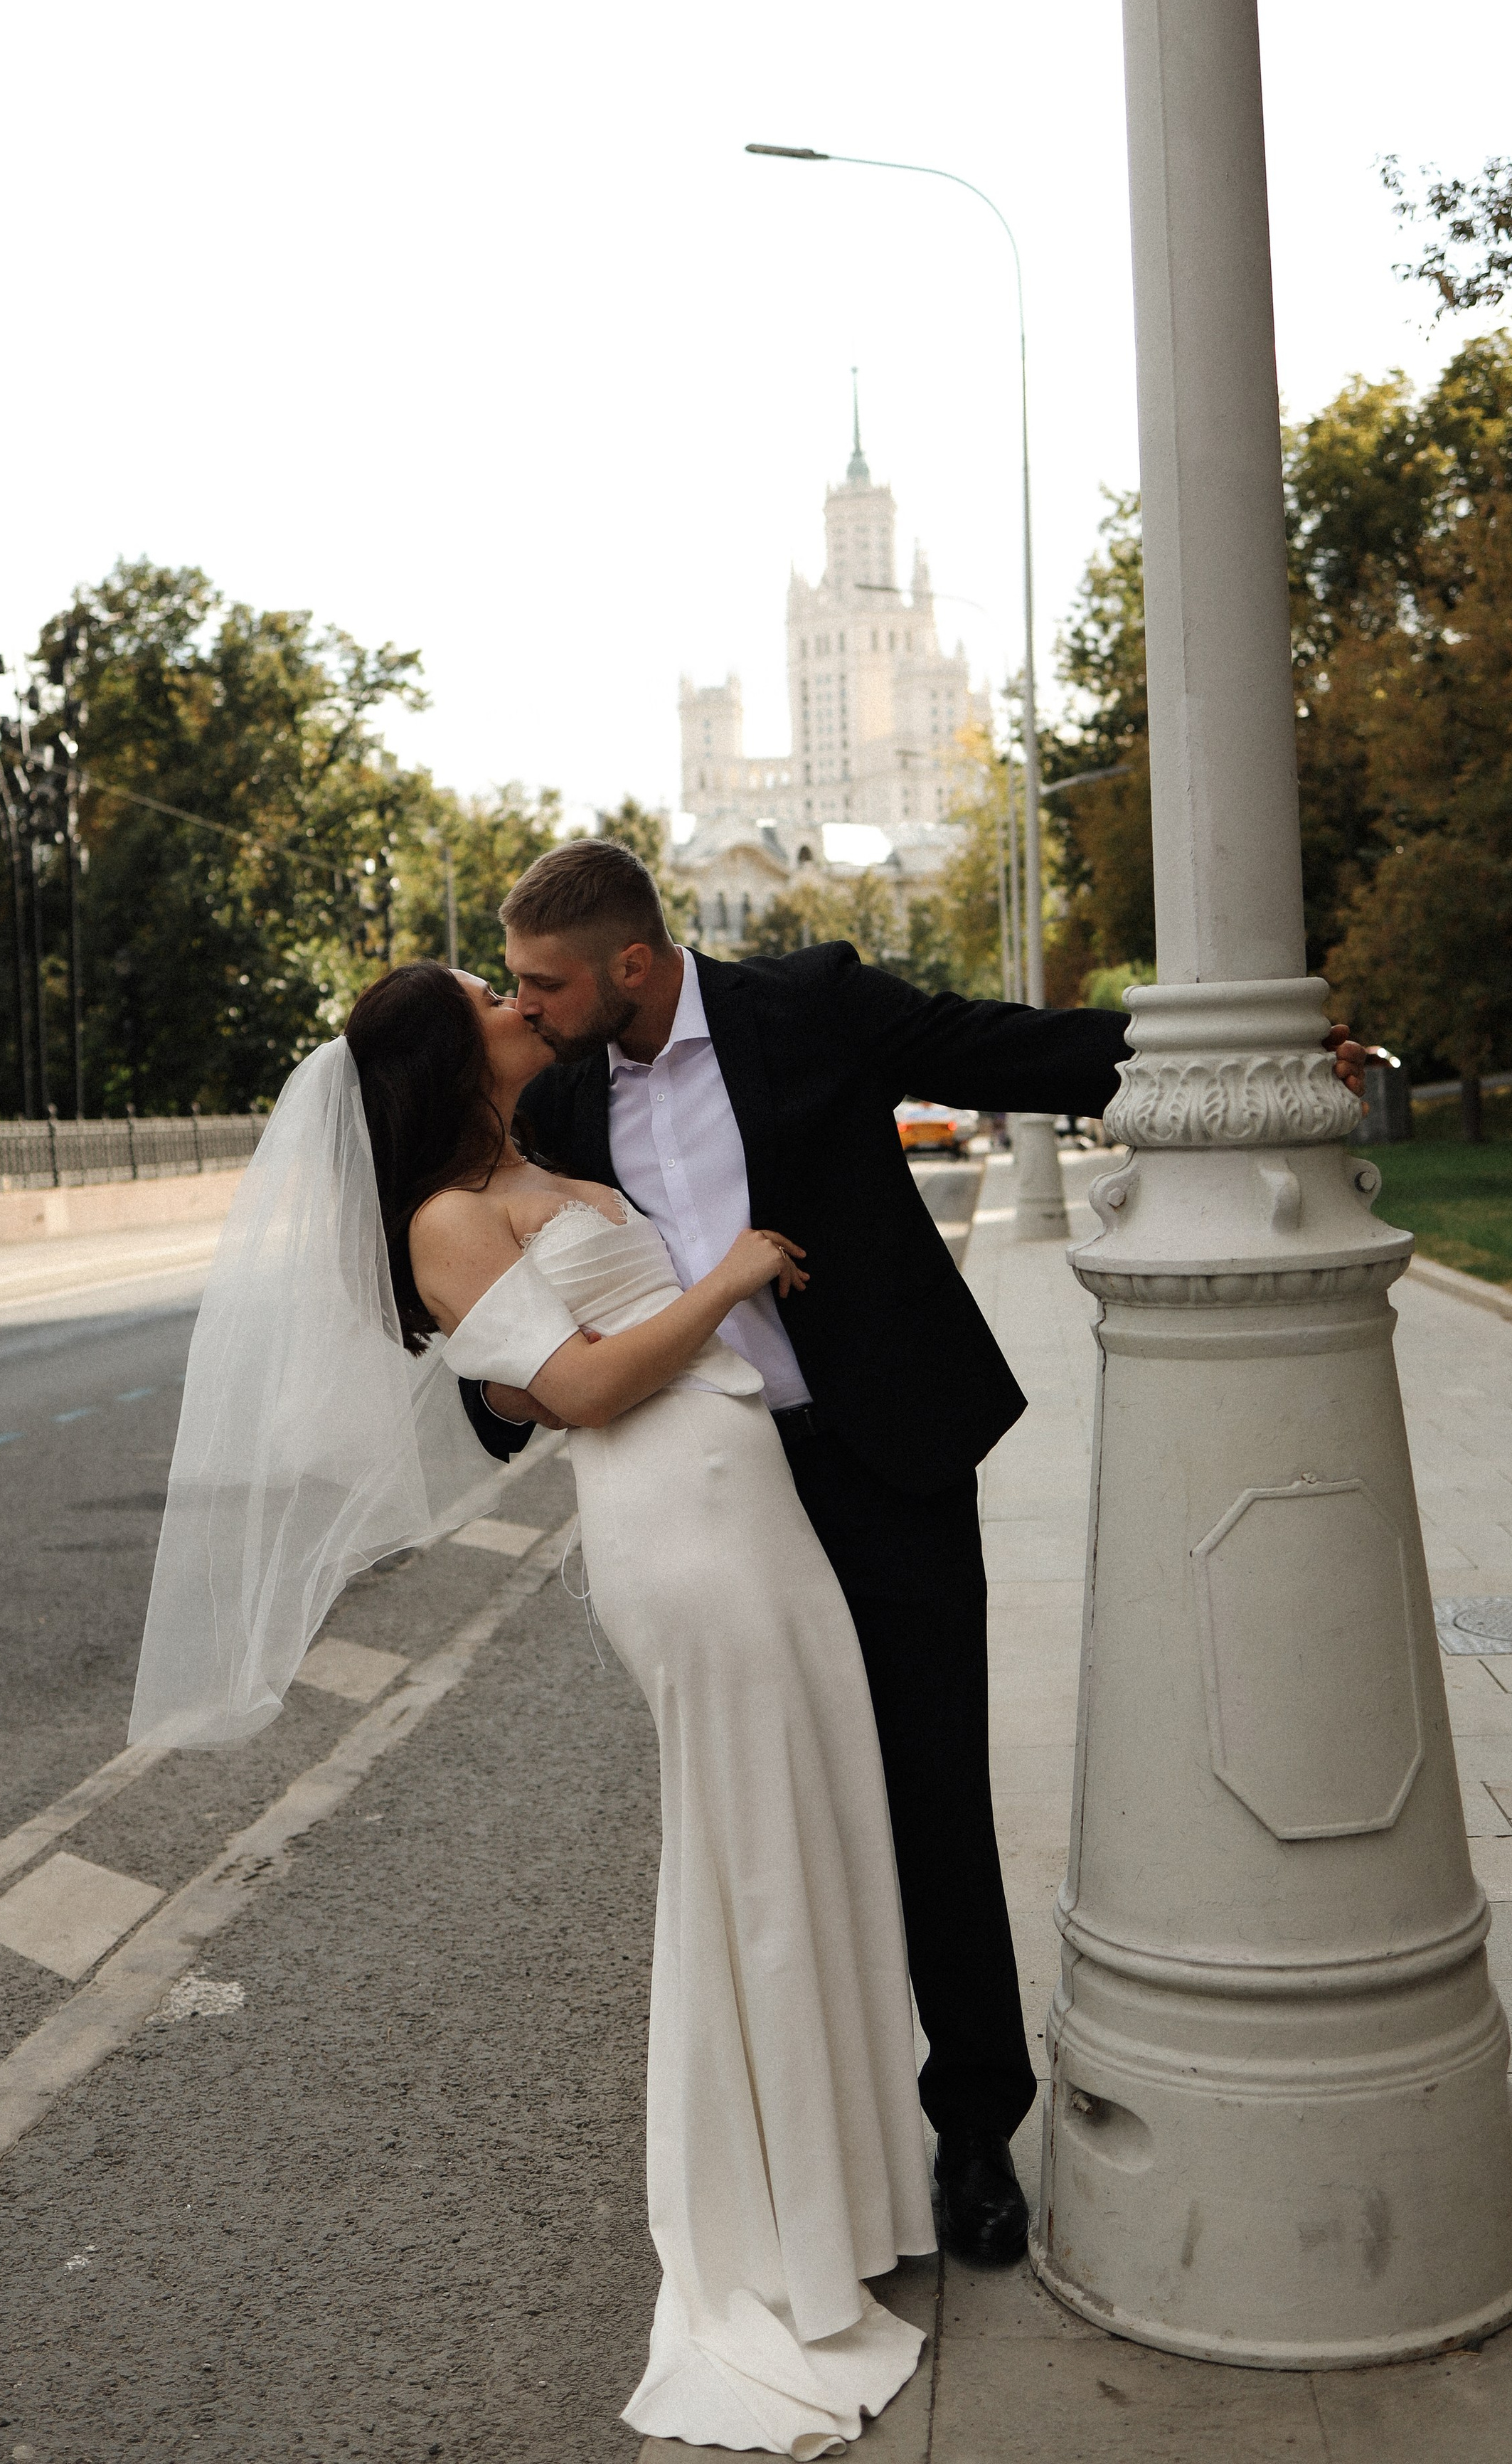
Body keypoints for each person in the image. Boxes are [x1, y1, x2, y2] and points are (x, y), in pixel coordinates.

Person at [459, 839, 1370, 2271]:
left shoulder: (801, 1007)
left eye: (541, 983)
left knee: (932, 1797)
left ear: (629, 966)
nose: (524, 1007)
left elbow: (997, 1046)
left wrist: (1243, 1054)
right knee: (785, 1817)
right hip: (718, 1497)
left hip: (882, 1462)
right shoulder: (565, 1096)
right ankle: (831, 2138)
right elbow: (508, 1294)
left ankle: (970, 2138)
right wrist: (507, 1385)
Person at [357, 957, 938, 2454]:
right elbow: (577, 1390)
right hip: (671, 1527)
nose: (513, 1000)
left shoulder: (543, 1161)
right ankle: (774, 2233)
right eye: (487, 992)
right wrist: (731, 1274)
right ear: (446, 1047)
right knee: (747, 1860)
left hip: (749, 1508)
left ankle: (853, 2194)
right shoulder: (444, 1218)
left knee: (812, 1826)